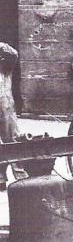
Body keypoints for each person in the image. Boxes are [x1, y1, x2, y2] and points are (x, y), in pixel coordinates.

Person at [0, 43, 27, 190]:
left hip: (5, 109)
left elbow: (13, 54)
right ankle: (0, 179)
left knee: (13, 141)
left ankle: (21, 176)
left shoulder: (5, 67)